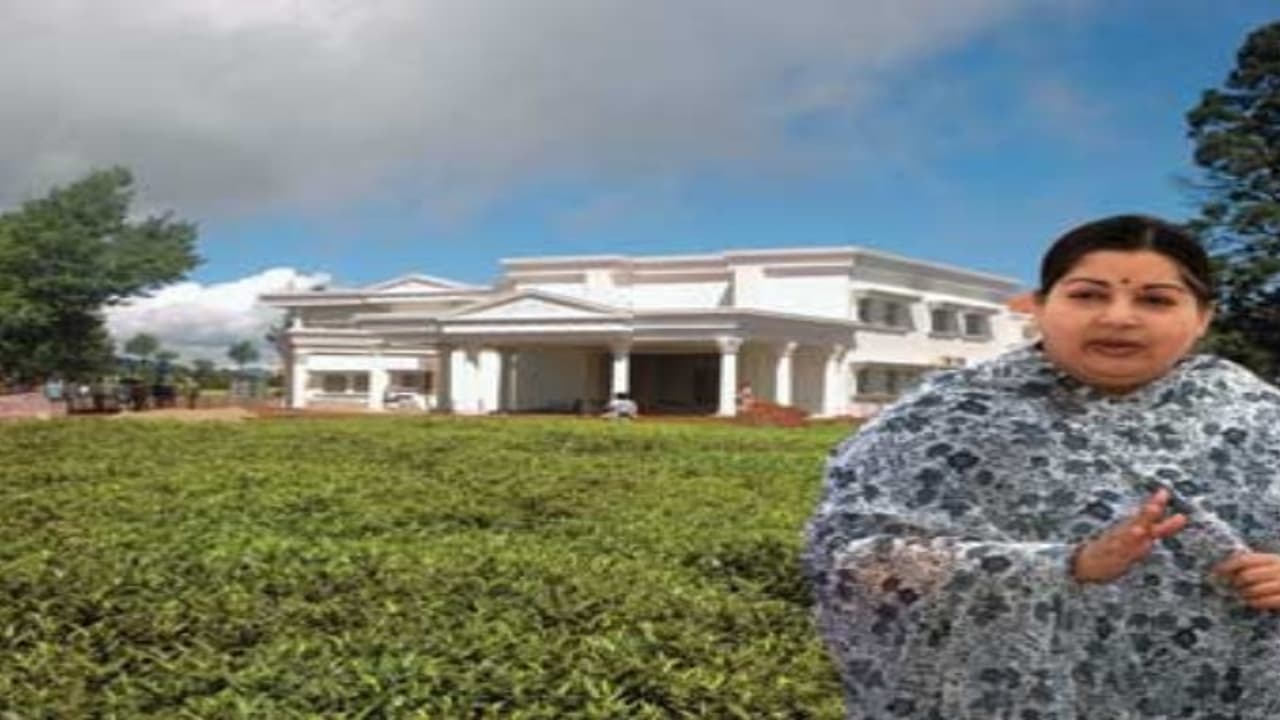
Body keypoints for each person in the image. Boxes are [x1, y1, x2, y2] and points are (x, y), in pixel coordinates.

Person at [803, 214, 1280, 719]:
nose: (1119, 317)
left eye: (1156, 300)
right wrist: (1064, 564)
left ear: (1203, 317)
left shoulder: (1259, 416)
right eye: (1088, 295)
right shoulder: (940, 420)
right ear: (1039, 306)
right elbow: (852, 560)